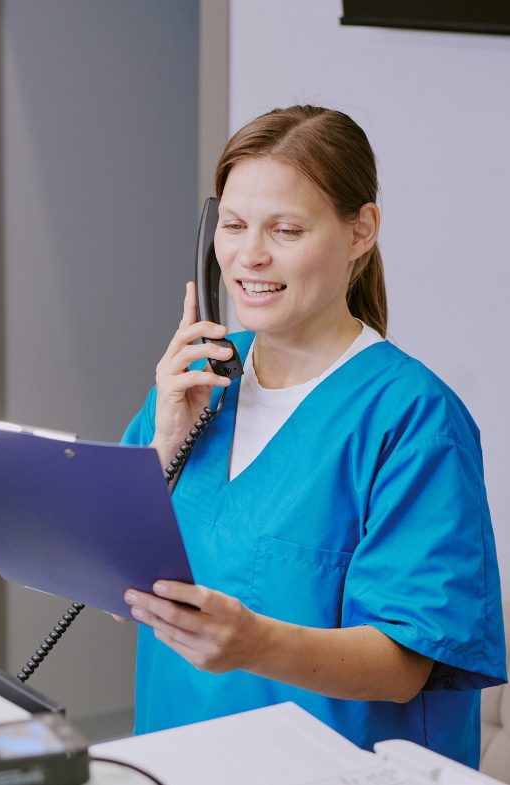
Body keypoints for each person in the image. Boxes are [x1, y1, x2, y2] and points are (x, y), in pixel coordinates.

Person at [120, 105, 506, 768]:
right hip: (175, 752)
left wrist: (251, 643)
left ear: (360, 231)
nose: (249, 256)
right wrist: (161, 442)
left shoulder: (412, 418)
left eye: (286, 229)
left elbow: (405, 661)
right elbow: (114, 570)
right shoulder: (193, 382)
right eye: (234, 226)